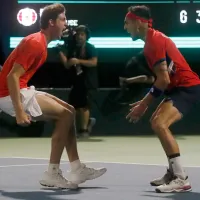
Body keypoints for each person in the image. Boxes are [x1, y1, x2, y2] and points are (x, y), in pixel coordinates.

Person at [0, 3, 106, 189]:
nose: (65, 24)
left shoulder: (41, 42)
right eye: (63, 19)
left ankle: (76, 168)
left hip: (18, 89)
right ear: (51, 22)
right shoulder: (35, 43)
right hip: (9, 94)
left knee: (70, 110)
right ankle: (52, 173)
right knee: (64, 115)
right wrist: (18, 112)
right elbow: (12, 76)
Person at [124, 5, 200, 193]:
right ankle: (173, 173)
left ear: (139, 22)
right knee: (156, 123)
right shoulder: (152, 41)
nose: (125, 27)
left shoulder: (154, 42)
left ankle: (181, 178)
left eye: (127, 23)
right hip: (177, 88)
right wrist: (145, 99)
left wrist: (144, 104)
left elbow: (164, 79)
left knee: (160, 124)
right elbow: (162, 78)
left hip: (187, 87)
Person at [58, 25, 97, 138]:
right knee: (75, 106)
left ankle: (84, 130)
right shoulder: (72, 48)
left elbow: (94, 62)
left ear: (86, 36)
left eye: (82, 34)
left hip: (88, 81)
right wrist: (61, 53)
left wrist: (78, 60)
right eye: (78, 34)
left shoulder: (90, 47)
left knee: (84, 106)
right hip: (76, 81)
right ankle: (86, 123)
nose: (79, 37)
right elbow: (66, 64)